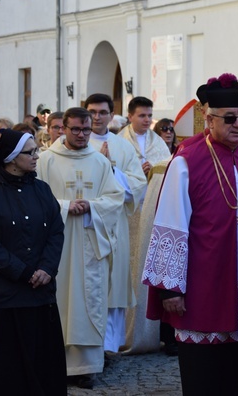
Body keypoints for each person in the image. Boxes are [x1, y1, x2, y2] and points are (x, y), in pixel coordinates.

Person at [142, 73, 238, 395]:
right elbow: (170, 224)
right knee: (206, 378)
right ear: (209, 118)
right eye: (230, 118)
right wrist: (168, 289)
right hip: (204, 287)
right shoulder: (187, 161)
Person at [0, 129, 66, 395]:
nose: (36, 156)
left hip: (39, 294)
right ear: (11, 158)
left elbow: (56, 231)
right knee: (2, 372)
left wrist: (47, 268)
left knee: (42, 367)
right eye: (30, 152)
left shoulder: (42, 190)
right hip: (0, 295)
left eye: (36, 150)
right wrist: (22, 272)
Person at [36, 107, 125, 389]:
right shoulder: (46, 161)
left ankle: (86, 367)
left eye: (86, 130)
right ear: (64, 128)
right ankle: (53, 363)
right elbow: (35, 198)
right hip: (55, 243)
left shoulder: (99, 162)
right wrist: (64, 206)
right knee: (58, 301)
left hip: (89, 240)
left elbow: (115, 197)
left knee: (89, 301)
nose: (82, 135)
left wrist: (91, 206)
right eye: (75, 129)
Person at [84, 93, 147, 354]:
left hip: (115, 225)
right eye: (92, 112)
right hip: (84, 225)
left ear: (112, 115)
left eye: (102, 112)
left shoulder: (121, 146)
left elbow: (137, 185)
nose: (97, 117)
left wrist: (112, 169)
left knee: (114, 286)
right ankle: (85, 346)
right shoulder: (76, 141)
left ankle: (108, 348)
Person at [120, 96, 170, 176]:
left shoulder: (157, 141)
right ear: (130, 117)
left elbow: (167, 167)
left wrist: (153, 170)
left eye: (149, 115)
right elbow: (115, 171)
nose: (147, 120)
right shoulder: (120, 140)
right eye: (142, 116)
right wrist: (137, 173)